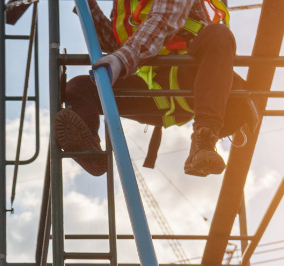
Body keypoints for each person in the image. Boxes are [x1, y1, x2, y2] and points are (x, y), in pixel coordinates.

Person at [55, 0, 259, 178]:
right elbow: (115, 43)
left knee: (219, 34)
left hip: (193, 79)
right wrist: (87, 6)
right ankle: (90, 150)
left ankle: (204, 139)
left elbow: (164, 19)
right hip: (150, 88)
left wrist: (121, 60)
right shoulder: (126, 5)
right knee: (80, 88)